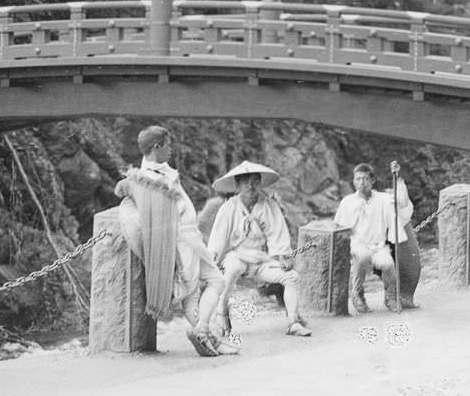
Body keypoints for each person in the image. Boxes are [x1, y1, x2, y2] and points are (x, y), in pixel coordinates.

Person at [114, 125, 226, 357]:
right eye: (168, 145)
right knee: (201, 288)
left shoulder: (160, 172)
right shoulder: (145, 178)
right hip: (179, 242)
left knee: (204, 287)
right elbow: (125, 192)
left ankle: (204, 333)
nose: (171, 150)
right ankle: (203, 332)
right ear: (157, 147)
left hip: (189, 238)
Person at [207, 163, 312, 339]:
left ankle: (293, 322)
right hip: (236, 255)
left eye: (255, 182)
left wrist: (283, 256)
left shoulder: (269, 206)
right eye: (246, 183)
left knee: (291, 277)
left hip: (262, 259)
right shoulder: (229, 207)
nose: (250, 187)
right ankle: (221, 312)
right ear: (238, 186)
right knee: (231, 270)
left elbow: (278, 235)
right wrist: (213, 258)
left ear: (260, 184)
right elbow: (218, 238)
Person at [333, 163, 408, 313]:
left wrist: (398, 177)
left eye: (365, 179)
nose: (361, 183)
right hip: (358, 244)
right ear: (353, 181)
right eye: (358, 179)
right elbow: (338, 226)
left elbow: (402, 202)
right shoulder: (347, 202)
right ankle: (357, 294)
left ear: (372, 181)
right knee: (362, 256)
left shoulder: (383, 198)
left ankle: (390, 297)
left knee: (388, 264)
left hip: (378, 245)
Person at [381, 160, 421, 309]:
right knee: (388, 264)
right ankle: (391, 297)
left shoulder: (400, 185)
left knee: (411, 264)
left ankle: (405, 297)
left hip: (402, 225)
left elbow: (403, 201)